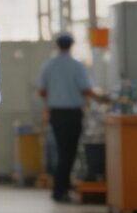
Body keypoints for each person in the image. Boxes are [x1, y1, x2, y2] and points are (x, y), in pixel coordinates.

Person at [38, 32, 109, 203]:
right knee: (68, 153)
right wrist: (103, 99)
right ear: (71, 46)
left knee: (61, 151)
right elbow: (86, 89)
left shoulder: (48, 66)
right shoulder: (77, 66)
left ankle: (62, 188)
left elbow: (41, 91)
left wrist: (52, 101)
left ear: (57, 46)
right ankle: (60, 191)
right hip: (72, 114)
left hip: (56, 113)